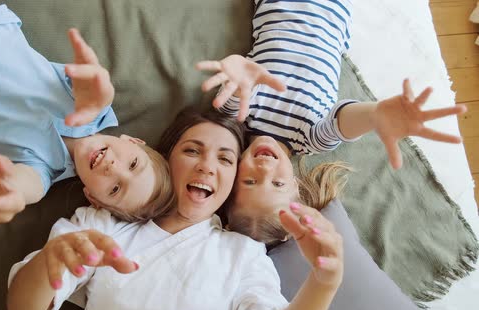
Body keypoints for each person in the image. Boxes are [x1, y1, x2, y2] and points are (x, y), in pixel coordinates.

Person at [6, 109, 344, 310]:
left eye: (225, 159)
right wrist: (50, 260)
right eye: (192, 151)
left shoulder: (244, 255)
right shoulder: (104, 225)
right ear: (165, 161)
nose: (206, 166)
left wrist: (324, 281)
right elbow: (22, 309)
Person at [0, 1, 174, 262]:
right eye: (133, 163)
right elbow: (92, 89)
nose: (114, 168)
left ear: (93, 198)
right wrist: (98, 90)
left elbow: (23, 187)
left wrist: (8, 195)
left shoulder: (40, 172)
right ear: (133, 140)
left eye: (115, 188)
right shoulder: (90, 106)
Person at [195, 0, 466, 241]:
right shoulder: (309, 138)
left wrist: (240, 73)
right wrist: (375, 114)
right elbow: (343, 122)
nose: (264, 170)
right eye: (277, 184)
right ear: (295, 185)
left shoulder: (241, 116)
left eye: (250, 182)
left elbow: (233, 91)